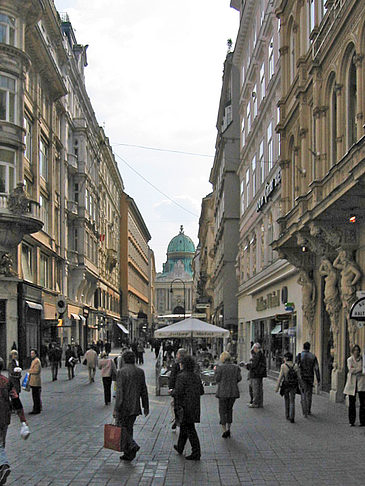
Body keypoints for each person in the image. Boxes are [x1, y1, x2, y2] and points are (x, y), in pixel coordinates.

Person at [113, 350, 149, 461]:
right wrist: (145, 406)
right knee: (129, 428)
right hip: (135, 405)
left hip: (124, 406)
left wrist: (116, 408)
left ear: (124, 359)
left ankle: (132, 445)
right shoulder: (140, 371)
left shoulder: (121, 372)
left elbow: (120, 392)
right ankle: (128, 453)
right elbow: (144, 390)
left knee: (122, 428)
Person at [0, 357, 28, 485]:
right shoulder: (7, 382)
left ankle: (3, 465)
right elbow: (16, 400)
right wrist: (23, 421)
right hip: (4, 418)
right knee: (1, 443)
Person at [173, 355, 204, 461]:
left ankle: (196, 452)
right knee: (184, 427)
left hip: (184, 407)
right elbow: (201, 391)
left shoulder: (181, 376)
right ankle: (180, 447)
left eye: (180, 363)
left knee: (190, 429)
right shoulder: (196, 376)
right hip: (194, 406)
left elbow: (178, 392)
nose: (179, 365)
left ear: (184, 365)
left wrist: (172, 392)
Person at [215, 351, 241, 438]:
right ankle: (229, 428)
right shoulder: (236, 367)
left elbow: (217, 379)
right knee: (229, 409)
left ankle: (224, 429)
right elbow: (239, 378)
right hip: (233, 392)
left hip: (222, 392)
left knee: (222, 411)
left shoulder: (220, 368)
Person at [296, 342, 320, 417]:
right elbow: (316, 368)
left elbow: (296, 367)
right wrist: (318, 379)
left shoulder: (299, 356)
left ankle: (304, 411)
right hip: (310, 377)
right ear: (309, 347)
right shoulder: (313, 356)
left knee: (303, 393)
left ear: (303, 347)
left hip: (302, 377)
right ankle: (308, 410)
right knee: (309, 394)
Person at [343, 344, 365, 426]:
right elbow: (351, 370)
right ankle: (351, 421)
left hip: (361, 383)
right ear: (352, 351)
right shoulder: (349, 359)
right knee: (352, 403)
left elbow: (362, 369)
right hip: (352, 383)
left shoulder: (362, 360)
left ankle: (363, 421)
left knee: (363, 403)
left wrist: (357, 370)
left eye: (358, 350)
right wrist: (358, 370)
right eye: (355, 350)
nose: (356, 351)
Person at [275, 352, 298, 423]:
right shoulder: (295, 365)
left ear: (287, 358)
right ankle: (292, 417)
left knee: (286, 400)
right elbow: (299, 377)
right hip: (293, 385)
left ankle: (287, 415)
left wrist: (277, 387)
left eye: (284, 357)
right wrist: (301, 385)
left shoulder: (283, 366)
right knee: (292, 401)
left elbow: (280, 378)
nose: (283, 359)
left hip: (286, 385)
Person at [168, 348, 187, 430]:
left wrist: (171, 388)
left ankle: (176, 419)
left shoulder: (176, 365)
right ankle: (179, 420)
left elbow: (172, 377)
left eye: (177, 354)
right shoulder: (189, 365)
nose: (176, 356)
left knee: (175, 404)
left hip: (177, 389)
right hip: (186, 390)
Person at [246, 343, 266, 408]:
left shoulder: (258, 355)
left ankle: (255, 402)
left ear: (256, 348)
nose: (253, 349)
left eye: (254, 348)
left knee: (255, 389)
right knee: (258, 389)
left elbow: (254, 365)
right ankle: (259, 402)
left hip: (255, 374)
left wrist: (247, 365)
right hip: (259, 374)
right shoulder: (260, 355)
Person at [28, 349, 42, 414]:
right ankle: (36, 408)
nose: (31, 355)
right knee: (35, 395)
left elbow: (37, 371)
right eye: (31, 353)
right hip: (33, 380)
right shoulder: (34, 361)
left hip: (36, 381)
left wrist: (30, 371)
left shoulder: (37, 361)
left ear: (35, 354)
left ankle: (37, 409)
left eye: (32, 353)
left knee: (36, 395)